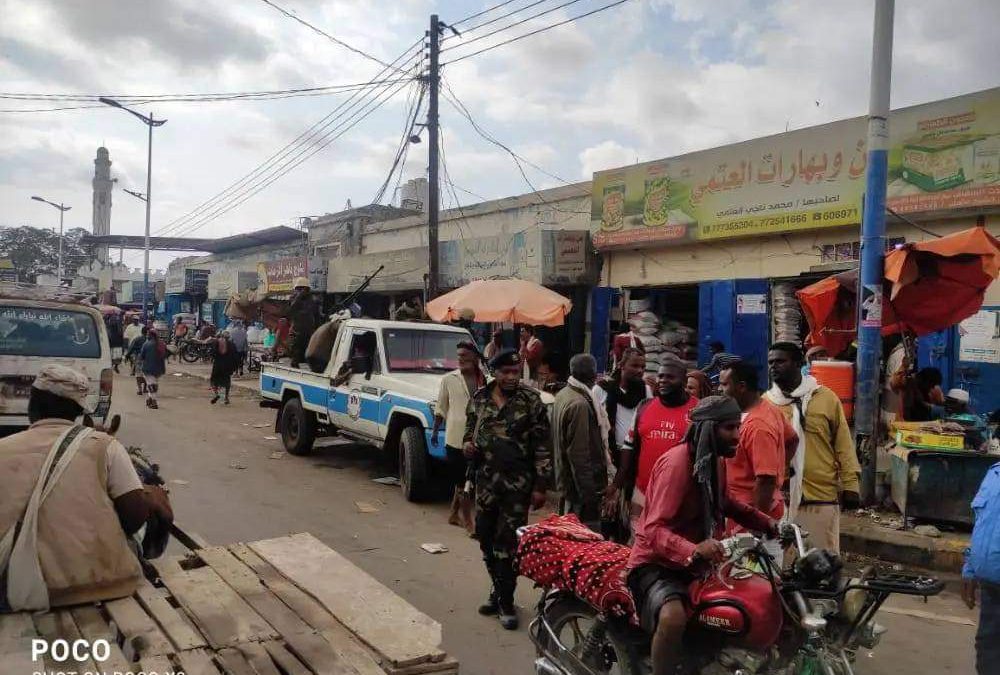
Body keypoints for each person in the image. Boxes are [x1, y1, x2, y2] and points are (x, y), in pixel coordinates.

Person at [627, 396, 779, 675]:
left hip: (696, 561)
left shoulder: (714, 462)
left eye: (738, 426)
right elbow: (653, 529)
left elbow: (727, 502)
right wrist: (693, 550)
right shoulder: (677, 466)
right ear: (709, 429)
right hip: (658, 563)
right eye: (729, 428)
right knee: (673, 618)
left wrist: (770, 524)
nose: (737, 435)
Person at [0, 365, 155, 610]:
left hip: (18, 590)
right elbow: (135, 517)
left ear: (33, 405)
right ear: (79, 412)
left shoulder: (3, 449)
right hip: (105, 585)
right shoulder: (105, 446)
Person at [464, 349, 550, 630]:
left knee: (508, 545)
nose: (511, 377)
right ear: (495, 373)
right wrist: (467, 444)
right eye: (505, 372)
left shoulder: (531, 401)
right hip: (486, 483)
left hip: (517, 486)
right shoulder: (480, 398)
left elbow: (542, 446)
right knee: (485, 538)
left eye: (515, 371)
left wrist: (540, 485)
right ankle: (497, 589)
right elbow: (469, 430)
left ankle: (506, 601)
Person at [765, 342, 860, 554]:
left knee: (822, 567)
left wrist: (851, 484)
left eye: (780, 361)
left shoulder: (826, 398)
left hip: (820, 497)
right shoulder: (765, 405)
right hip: (780, 500)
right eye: (771, 362)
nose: (774, 366)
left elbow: (843, 444)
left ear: (799, 363)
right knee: (782, 569)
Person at [720, 361, 797, 559]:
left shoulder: (758, 426)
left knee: (752, 581)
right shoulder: (767, 409)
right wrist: (780, 466)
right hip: (745, 512)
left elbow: (765, 479)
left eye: (725, 385)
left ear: (742, 387)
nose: (720, 390)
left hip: (753, 517)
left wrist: (756, 526)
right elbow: (792, 439)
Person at [617, 354, 698, 526]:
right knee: (638, 544)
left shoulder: (698, 411)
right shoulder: (644, 407)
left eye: (670, 377)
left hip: (681, 497)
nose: (662, 380)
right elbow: (629, 446)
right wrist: (621, 483)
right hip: (643, 493)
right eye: (660, 376)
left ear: (684, 381)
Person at [431, 341, 486, 535]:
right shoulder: (449, 379)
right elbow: (441, 408)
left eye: (465, 355)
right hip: (455, 438)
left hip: (477, 438)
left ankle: (454, 514)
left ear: (474, 357)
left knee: (467, 478)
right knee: (463, 481)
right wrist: (436, 431)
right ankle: (469, 523)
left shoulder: (484, 380)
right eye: (459, 356)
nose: (460, 359)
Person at [551, 354, 609, 529]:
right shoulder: (580, 404)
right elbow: (579, 455)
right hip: (578, 492)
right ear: (592, 374)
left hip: (566, 484)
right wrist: (589, 496)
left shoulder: (563, 394)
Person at [963, 462, 1000, 674]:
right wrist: (970, 568)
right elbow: (982, 523)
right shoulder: (994, 473)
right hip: (992, 589)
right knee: (987, 655)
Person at [592, 348, 652, 471]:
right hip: (608, 454)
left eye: (643, 367)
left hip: (636, 454)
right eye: (635, 366)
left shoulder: (646, 390)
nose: (640, 370)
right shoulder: (602, 389)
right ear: (621, 365)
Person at [288, 278, 319, 368]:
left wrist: (316, 329)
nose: (300, 291)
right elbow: (291, 310)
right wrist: (299, 297)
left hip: (308, 330)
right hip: (296, 330)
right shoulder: (293, 298)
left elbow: (317, 316)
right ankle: (295, 362)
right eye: (299, 289)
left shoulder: (313, 300)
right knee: (295, 350)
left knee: (309, 350)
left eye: (303, 289)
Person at [139, 329, 167, 410]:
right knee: (154, 384)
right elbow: (165, 355)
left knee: (151, 385)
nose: (147, 336)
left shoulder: (146, 344)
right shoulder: (161, 344)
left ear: (151, 335)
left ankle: (154, 401)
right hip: (159, 369)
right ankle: (150, 399)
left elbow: (142, 356)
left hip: (148, 368)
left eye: (148, 334)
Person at [210, 333, 239, 405]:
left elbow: (213, 354)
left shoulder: (216, 343)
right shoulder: (232, 344)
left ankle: (217, 394)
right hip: (227, 366)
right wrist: (235, 367)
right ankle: (225, 397)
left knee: (214, 380)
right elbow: (235, 356)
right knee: (226, 382)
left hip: (218, 365)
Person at [127, 326, 149, 392]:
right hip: (148, 357)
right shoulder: (150, 340)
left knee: (138, 373)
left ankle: (139, 389)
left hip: (139, 356)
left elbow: (131, 347)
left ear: (141, 332)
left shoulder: (137, 339)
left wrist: (127, 355)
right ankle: (145, 388)